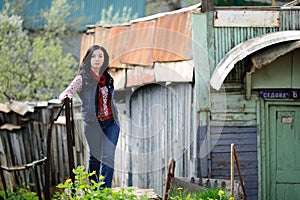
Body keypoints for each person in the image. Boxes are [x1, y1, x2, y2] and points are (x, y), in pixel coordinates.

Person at [59, 45, 120, 188]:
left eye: (100, 56)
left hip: (112, 123)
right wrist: (67, 96)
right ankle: (93, 189)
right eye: (93, 56)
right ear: (88, 59)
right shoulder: (82, 78)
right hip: (93, 124)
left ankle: (104, 192)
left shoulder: (107, 77)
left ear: (104, 59)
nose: (97, 59)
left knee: (108, 157)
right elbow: (65, 92)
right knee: (95, 158)